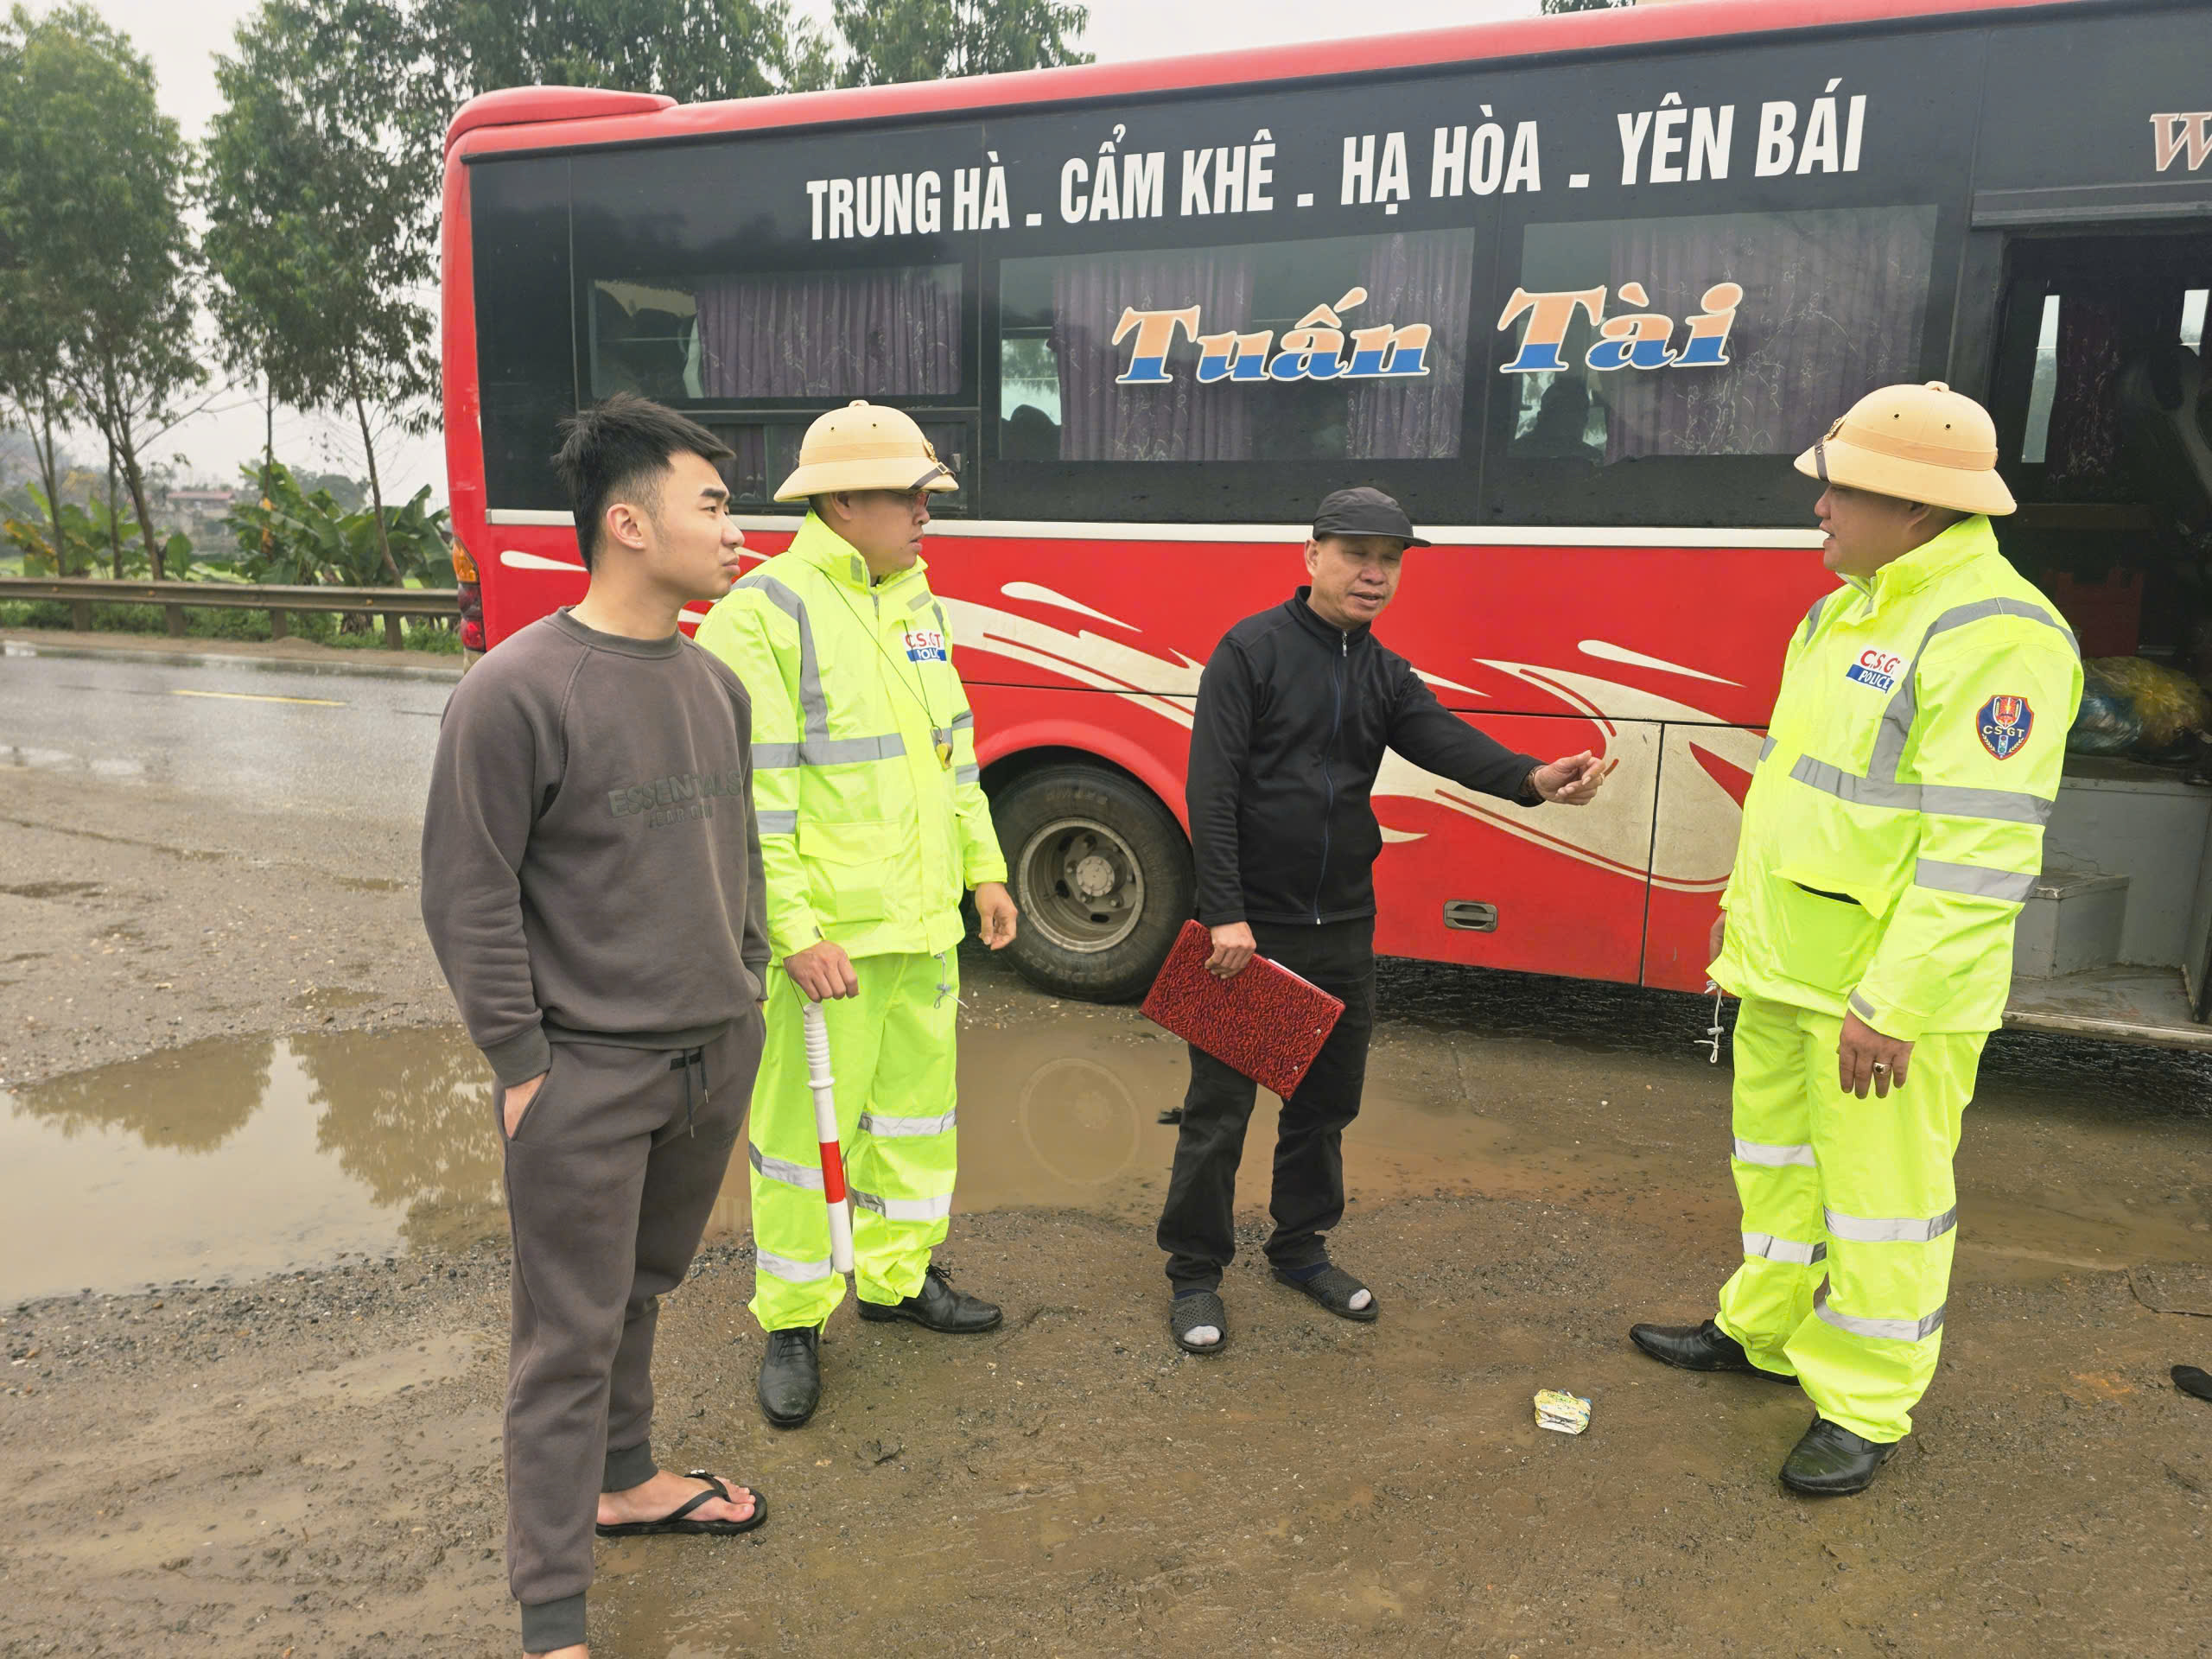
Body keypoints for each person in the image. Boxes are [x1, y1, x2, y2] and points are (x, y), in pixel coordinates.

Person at [1630, 382, 2083, 1497]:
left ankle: (1867, 1404)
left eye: (1836, 490)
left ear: (1918, 506)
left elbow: (1978, 862)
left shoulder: (1998, 637)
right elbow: (1811, 797)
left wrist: (1895, 1004)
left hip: (1879, 1000)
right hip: (1790, 969)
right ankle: (1766, 1334)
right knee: (1777, 1173)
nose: (1817, 509)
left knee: (1883, 1204)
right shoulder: (1856, 603)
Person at [421, 394, 772, 1658]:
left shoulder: (716, 683)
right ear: (627, 524)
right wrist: (523, 1068)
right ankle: (553, 1614)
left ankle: (627, 1483)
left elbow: (738, 856)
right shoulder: (515, 691)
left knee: (642, 1293)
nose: (739, 530)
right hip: (584, 1077)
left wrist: (750, 986)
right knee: (564, 1338)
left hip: (709, 1058)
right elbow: (464, 893)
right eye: (715, 504)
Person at [1160, 486, 1613, 1355]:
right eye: (1358, 554)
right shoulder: (1248, 652)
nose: (1375, 573)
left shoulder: (1381, 672)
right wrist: (1225, 912)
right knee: (1219, 1112)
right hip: (1250, 929)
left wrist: (1534, 777)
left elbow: (1448, 743)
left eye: (1391, 559)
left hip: (1341, 927)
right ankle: (1193, 1273)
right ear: (1312, 556)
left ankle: (1299, 1251)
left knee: (1325, 1107)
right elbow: (1209, 792)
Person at [696, 400, 1018, 1430]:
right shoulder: (764, 611)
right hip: (829, 945)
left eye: (927, 493)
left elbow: (952, 755)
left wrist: (987, 872)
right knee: (801, 1139)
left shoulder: (917, 603)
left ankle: (893, 1278)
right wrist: (794, 934)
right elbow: (759, 802)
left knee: (916, 1124)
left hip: (924, 927)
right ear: (844, 501)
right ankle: (792, 1320)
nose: (928, 511)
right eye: (909, 494)